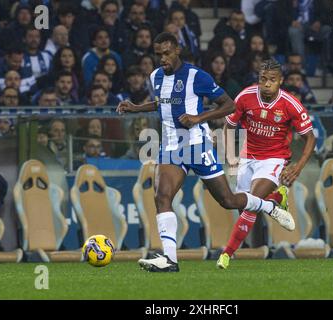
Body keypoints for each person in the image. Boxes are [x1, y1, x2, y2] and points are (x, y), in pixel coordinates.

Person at [117, 32, 295, 272]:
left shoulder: (196, 76)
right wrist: (137, 108)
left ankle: (269, 206)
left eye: (167, 53)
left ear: (177, 50)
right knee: (162, 196)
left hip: (197, 145)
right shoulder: (155, 76)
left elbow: (229, 104)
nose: (162, 59)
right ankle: (170, 260)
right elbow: (163, 101)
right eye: (158, 54)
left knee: (228, 201)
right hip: (171, 146)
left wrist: (198, 118)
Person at [216, 58, 316, 269]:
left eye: (272, 80)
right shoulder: (245, 97)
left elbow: (310, 138)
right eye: (263, 79)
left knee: (251, 203)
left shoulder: (291, 104)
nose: (267, 83)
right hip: (247, 156)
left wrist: (297, 167)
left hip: (274, 158)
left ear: (281, 81)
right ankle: (276, 199)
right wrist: (231, 157)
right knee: (241, 203)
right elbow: (228, 125)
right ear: (258, 79)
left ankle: (227, 254)